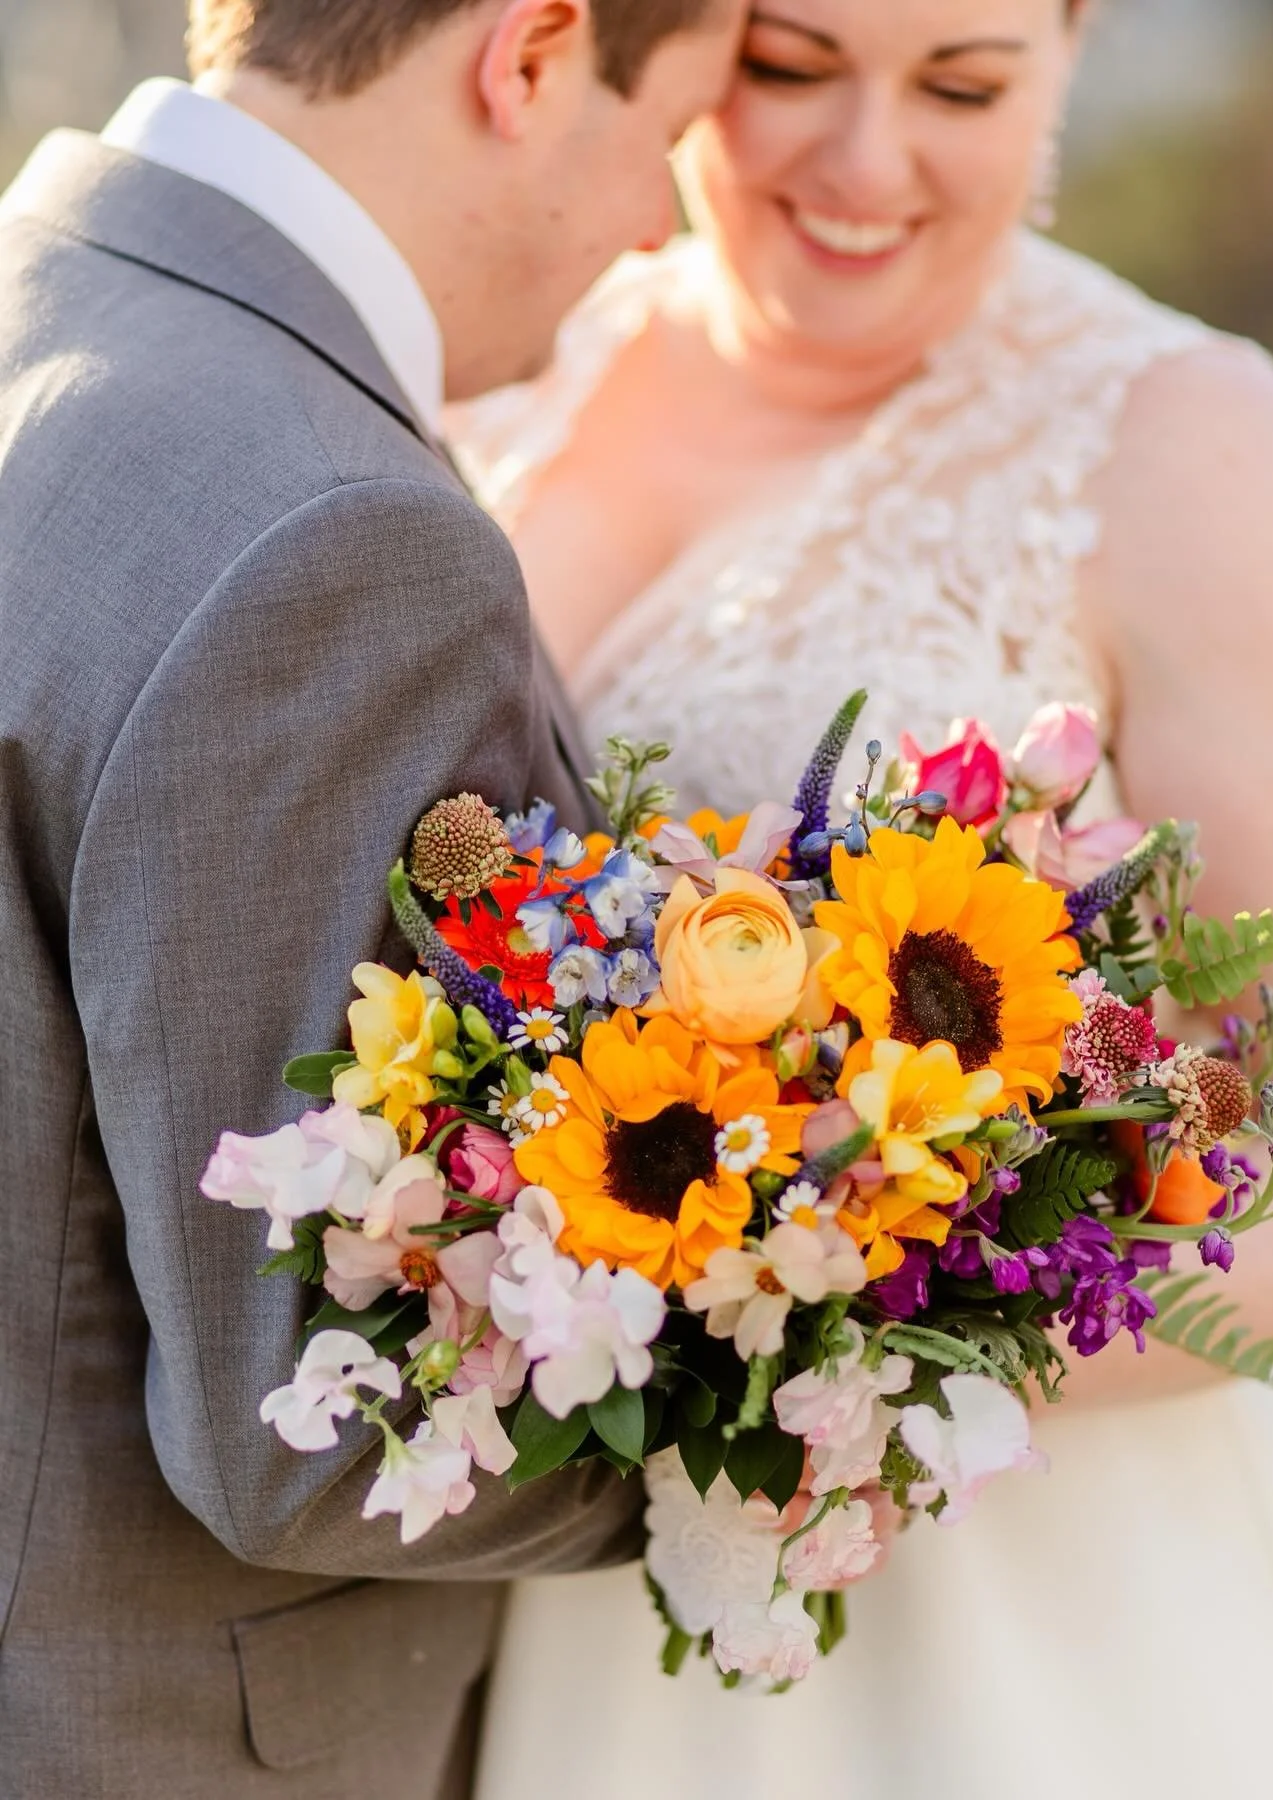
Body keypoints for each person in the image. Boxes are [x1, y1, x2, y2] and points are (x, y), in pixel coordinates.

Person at [450, 1, 1273, 1794]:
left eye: (962, 85)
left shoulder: (1194, 455)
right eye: (792, 66)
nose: (866, 162)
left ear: (1071, 55)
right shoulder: (506, 368)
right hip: (540, 1601)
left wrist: (850, 1322)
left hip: (1047, 1649)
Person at [0, 1, 745, 1796]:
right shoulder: (328, 526)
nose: (662, 224)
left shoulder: (48, 304)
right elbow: (315, 1435)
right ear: (534, 52)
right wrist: (816, 1418)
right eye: (675, 134)